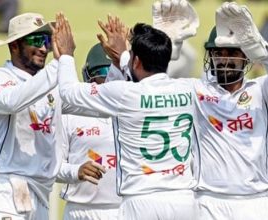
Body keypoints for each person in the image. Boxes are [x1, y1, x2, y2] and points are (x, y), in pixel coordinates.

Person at [106, 1, 268, 219]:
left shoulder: (261, 91)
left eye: (231, 53)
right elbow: (151, 82)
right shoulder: (195, 90)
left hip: (256, 202)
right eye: (218, 53)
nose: (224, 60)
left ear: (245, 55)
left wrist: (259, 46)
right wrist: (162, 46)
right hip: (207, 202)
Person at [53, 11, 200, 220]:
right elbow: (139, 70)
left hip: (141, 201)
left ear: (137, 61)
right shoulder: (188, 88)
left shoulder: (124, 93)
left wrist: (66, 54)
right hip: (183, 200)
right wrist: (122, 55)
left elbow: (67, 92)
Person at [0, 12, 103, 219]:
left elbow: (100, 106)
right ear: (14, 45)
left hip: (39, 193)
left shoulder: (52, 86)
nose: (44, 48)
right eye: (35, 40)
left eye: (47, 41)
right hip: (3, 187)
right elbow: (13, 101)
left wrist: (122, 65)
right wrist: (60, 63)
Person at [57, 43, 122, 220]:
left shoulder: (134, 110)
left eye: (115, 74)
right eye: (102, 74)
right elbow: (50, 166)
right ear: (88, 76)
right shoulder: (70, 115)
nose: (109, 81)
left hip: (125, 209)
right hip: (80, 211)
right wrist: (76, 170)